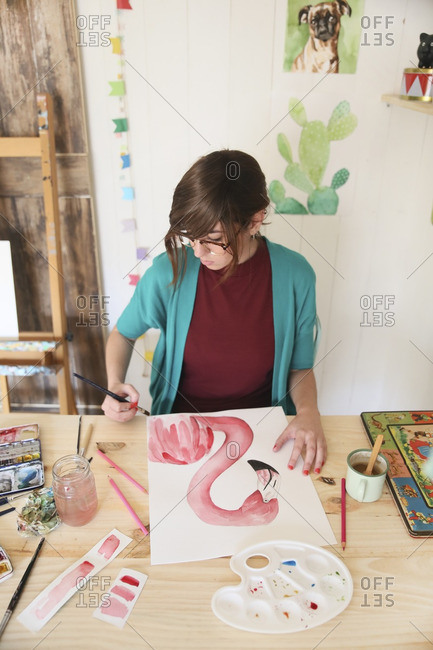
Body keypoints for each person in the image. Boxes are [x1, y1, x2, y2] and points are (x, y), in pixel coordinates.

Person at [102, 150, 326, 474]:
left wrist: (308, 411)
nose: (197, 251)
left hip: (265, 434)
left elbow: (301, 368)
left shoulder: (296, 275)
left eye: (213, 239)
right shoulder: (169, 273)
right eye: (191, 237)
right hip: (181, 433)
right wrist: (114, 384)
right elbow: (123, 333)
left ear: (255, 220)